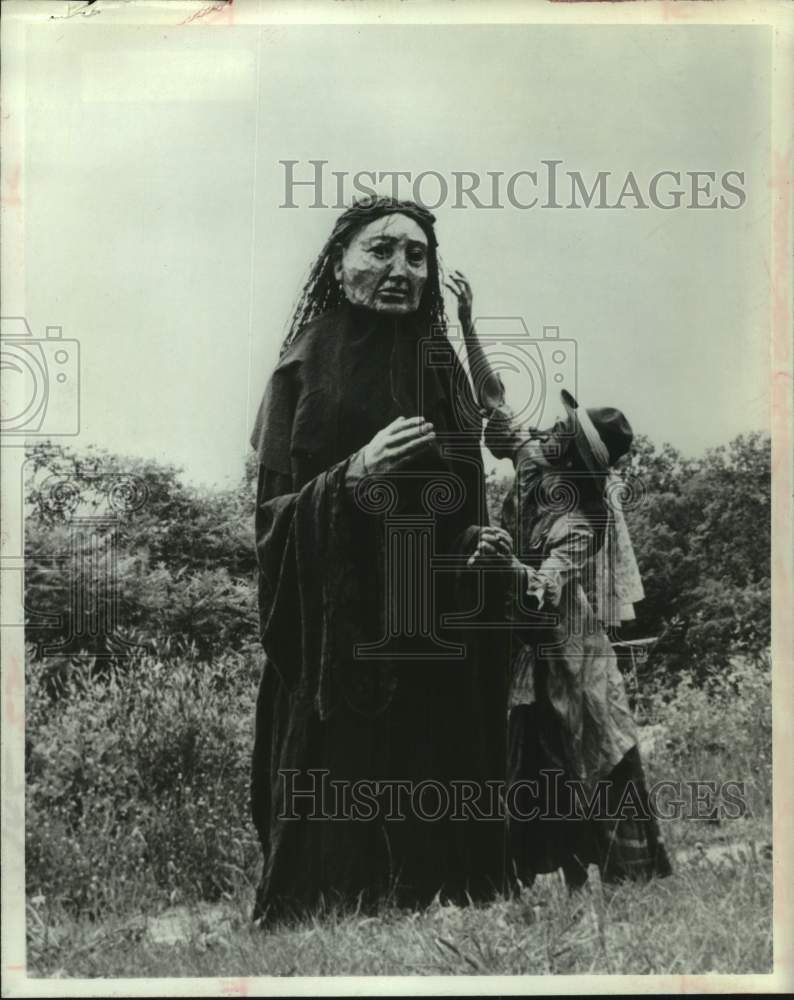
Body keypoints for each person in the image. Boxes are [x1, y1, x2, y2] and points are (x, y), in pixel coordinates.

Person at [249, 197, 509, 925]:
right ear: (339, 265)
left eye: (417, 255)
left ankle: (443, 890)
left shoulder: (441, 365)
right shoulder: (305, 364)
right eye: (380, 250)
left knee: (437, 745)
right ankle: (334, 900)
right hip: (341, 618)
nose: (401, 269)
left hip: (433, 613)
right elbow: (270, 518)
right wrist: (353, 475)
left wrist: (476, 543)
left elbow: (466, 496)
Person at [472, 390, 672, 889]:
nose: (550, 431)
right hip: (527, 642)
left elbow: (544, 587)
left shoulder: (583, 523)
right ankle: (537, 876)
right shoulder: (536, 463)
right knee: (533, 754)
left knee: (591, 749)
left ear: (576, 458)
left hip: (571, 650)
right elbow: (498, 413)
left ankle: (620, 871)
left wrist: (504, 563)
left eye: (563, 432)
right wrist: (472, 343)